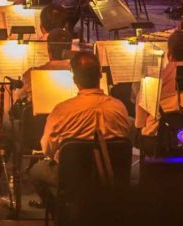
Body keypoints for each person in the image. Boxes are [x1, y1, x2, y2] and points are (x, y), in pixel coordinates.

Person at [30, 51, 132, 202]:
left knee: (36, 170)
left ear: (74, 79)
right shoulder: (120, 107)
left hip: (72, 177)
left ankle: (61, 212)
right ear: (100, 76)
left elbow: (47, 149)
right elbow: (127, 137)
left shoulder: (61, 110)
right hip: (112, 176)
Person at [19, 28, 74, 100]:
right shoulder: (79, 73)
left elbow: (18, 96)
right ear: (70, 49)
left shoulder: (30, 75)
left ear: (48, 49)